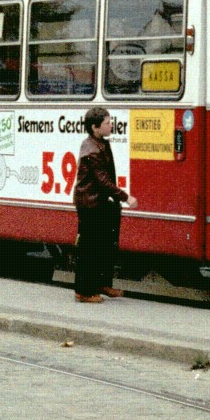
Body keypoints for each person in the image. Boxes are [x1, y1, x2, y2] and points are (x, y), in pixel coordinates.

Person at [72, 107, 137, 303]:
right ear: (95, 127)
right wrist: (126, 197)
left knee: (105, 245)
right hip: (90, 203)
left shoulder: (101, 143)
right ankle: (83, 292)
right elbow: (103, 181)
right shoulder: (91, 150)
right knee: (90, 248)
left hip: (100, 202)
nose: (111, 126)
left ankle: (102, 283)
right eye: (107, 123)